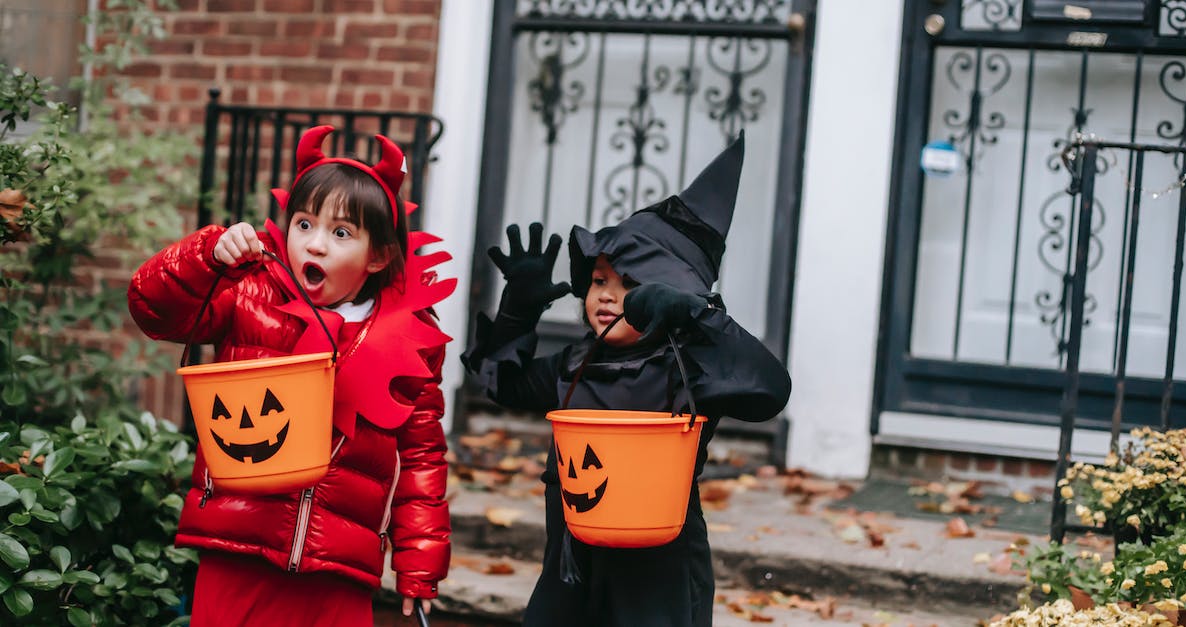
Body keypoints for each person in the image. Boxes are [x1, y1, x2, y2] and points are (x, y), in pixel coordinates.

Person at [128, 125, 455, 626]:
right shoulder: (249, 293)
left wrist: (420, 559)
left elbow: (423, 455)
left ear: (379, 255)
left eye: (341, 233)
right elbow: (155, 310)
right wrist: (207, 256)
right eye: (305, 225)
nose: (316, 245)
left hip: (337, 567)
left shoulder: (410, 338)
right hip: (238, 545)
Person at [463, 132, 791, 627]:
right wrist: (517, 311)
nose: (607, 296)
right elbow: (502, 386)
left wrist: (699, 318)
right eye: (598, 280)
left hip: (655, 582)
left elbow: (769, 391)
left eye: (630, 284)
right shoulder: (573, 364)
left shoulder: (691, 370)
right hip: (570, 573)